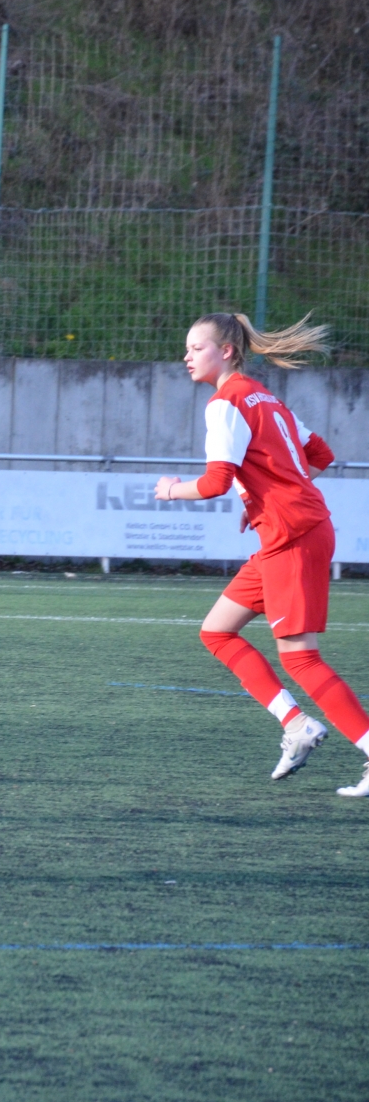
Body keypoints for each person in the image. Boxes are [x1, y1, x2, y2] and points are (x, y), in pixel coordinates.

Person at [154, 313, 369, 796]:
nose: (186, 356)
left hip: (294, 537)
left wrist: (170, 489)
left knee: (301, 659)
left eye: (196, 347)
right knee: (216, 632)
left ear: (225, 351)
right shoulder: (265, 397)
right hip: (287, 534)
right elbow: (320, 455)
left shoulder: (225, 403)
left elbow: (213, 484)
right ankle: (296, 725)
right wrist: (266, 501)